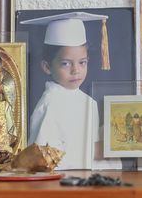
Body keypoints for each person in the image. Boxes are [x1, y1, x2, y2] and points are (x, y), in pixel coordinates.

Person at [23, 12, 120, 170]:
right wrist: (95, 151)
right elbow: (41, 158)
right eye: (66, 64)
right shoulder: (51, 104)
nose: (76, 71)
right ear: (47, 67)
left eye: (82, 62)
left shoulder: (87, 101)